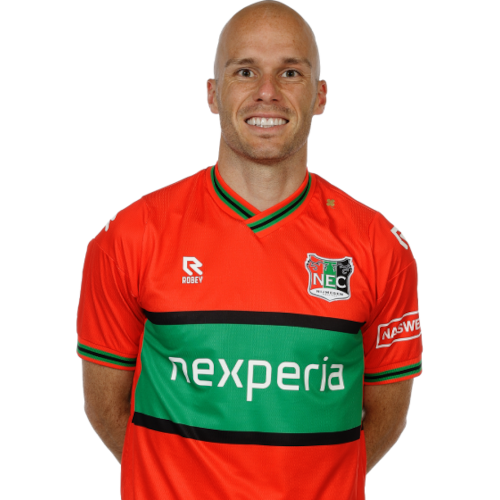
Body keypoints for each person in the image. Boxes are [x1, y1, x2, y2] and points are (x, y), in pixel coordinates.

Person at [76, 1, 422, 498]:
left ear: (321, 95)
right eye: (245, 71)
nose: (267, 92)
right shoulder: (131, 235)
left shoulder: (379, 245)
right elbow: (106, 409)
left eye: (290, 72)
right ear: (212, 93)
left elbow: (386, 414)